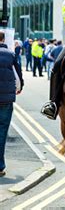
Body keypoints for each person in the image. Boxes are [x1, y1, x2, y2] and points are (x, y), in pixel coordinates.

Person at [0, 31, 23, 177]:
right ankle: (0, 166)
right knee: (2, 132)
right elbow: (18, 76)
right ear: (3, 39)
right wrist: (19, 89)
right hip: (6, 99)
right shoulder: (10, 55)